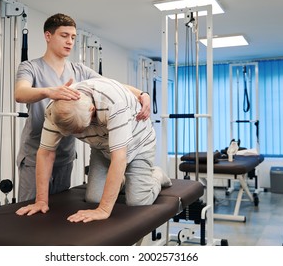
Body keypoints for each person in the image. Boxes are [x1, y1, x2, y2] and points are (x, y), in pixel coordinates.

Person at [15, 13, 151, 202]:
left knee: (59, 209)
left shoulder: (79, 70)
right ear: (48, 36)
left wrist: (142, 94)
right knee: (33, 208)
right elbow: (20, 93)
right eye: (64, 35)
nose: (69, 41)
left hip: (65, 154)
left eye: (73, 37)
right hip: (35, 152)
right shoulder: (31, 67)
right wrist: (49, 92)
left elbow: (112, 85)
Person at [16, 77, 172, 223]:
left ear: (92, 110)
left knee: (137, 201)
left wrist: (103, 210)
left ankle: (156, 175)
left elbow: (119, 158)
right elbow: (46, 153)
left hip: (139, 144)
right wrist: (41, 201)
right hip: (101, 147)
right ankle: (121, 181)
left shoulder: (113, 104)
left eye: (81, 130)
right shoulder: (55, 110)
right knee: (93, 199)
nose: (79, 135)